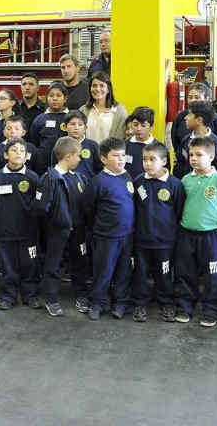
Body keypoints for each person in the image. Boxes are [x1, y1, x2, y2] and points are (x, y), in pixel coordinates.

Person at [173, 136, 217, 327]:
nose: (194, 159)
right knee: (186, 272)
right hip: (187, 234)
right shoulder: (185, 180)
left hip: (211, 236)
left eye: (199, 155)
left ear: (212, 156)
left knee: (213, 274)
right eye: (191, 155)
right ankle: (185, 307)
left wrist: (215, 223)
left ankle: (212, 310)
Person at [82, 137, 135, 321]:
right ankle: (97, 303)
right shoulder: (97, 181)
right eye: (116, 156)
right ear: (104, 159)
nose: (121, 159)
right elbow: (88, 208)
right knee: (103, 271)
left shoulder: (127, 177)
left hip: (126, 237)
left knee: (123, 271)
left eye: (123, 155)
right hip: (106, 237)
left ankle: (119, 303)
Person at [132, 141, 185, 322]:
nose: (147, 163)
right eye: (144, 159)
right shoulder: (138, 181)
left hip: (165, 242)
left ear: (164, 161)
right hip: (142, 240)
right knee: (141, 273)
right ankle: (140, 303)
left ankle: (167, 304)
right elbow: (135, 209)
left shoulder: (174, 184)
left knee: (164, 275)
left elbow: (179, 212)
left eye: (152, 159)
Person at [33, 136, 86, 316]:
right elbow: (41, 208)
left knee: (79, 263)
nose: (80, 159)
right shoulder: (49, 179)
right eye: (78, 155)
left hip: (77, 231)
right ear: (68, 156)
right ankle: (51, 298)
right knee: (53, 265)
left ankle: (81, 294)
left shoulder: (79, 178)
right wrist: (55, 222)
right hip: (57, 231)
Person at [0, 138, 40, 310]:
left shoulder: (33, 178)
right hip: (5, 231)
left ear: (26, 157)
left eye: (21, 151)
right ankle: (8, 297)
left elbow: (37, 206)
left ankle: (30, 295)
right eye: (13, 150)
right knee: (7, 266)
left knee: (30, 265)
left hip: (28, 232)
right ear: (5, 154)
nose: (18, 153)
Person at [174, 101, 217, 180]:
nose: (185, 117)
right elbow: (179, 166)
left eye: (189, 114)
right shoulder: (185, 140)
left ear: (199, 120)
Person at [172, 82, 217, 151]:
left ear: (206, 99)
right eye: (190, 97)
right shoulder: (180, 117)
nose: (192, 100)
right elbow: (176, 143)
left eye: (197, 97)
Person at [28, 82, 69, 174]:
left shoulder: (70, 118)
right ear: (47, 98)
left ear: (65, 98)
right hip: (42, 166)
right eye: (51, 96)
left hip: (65, 164)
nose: (54, 98)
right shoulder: (40, 119)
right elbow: (33, 142)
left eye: (58, 95)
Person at [80, 71, 128, 143]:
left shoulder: (119, 110)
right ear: (90, 89)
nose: (97, 89)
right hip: (87, 153)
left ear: (108, 89)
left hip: (110, 153)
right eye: (94, 86)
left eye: (102, 85)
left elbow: (121, 138)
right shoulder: (83, 110)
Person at [125, 106, 167, 179]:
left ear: (151, 126)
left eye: (143, 125)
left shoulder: (160, 148)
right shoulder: (124, 145)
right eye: (135, 125)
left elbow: (164, 172)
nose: (139, 129)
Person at [64, 110, 102, 181]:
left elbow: (99, 169)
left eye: (80, 125)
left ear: (85, 128)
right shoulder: (61, 145)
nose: (76, 128)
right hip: (66, 184)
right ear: (65, 127)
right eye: (72, 124)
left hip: (88, 185)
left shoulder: (93, 145)